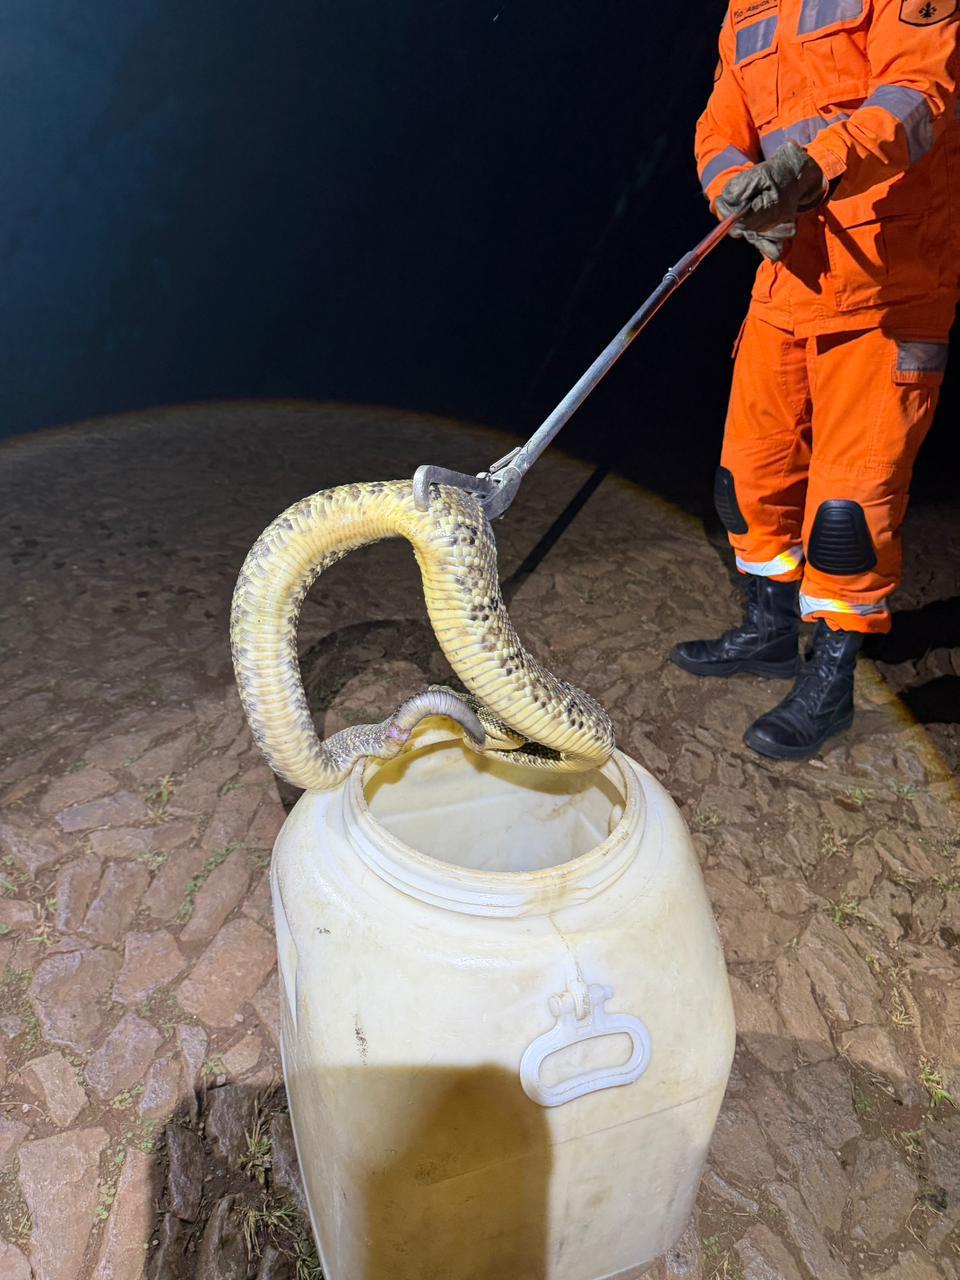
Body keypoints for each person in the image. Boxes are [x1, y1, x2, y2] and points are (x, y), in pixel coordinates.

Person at [672, 0, 960, 760]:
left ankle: (832, 681)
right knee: (749, 476)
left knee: (848, 511)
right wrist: (737, 192)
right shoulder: (748, 9)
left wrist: (814, 166)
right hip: (788, 279)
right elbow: (718, 128)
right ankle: (768, 631)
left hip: (888, 285)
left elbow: (917, 97)